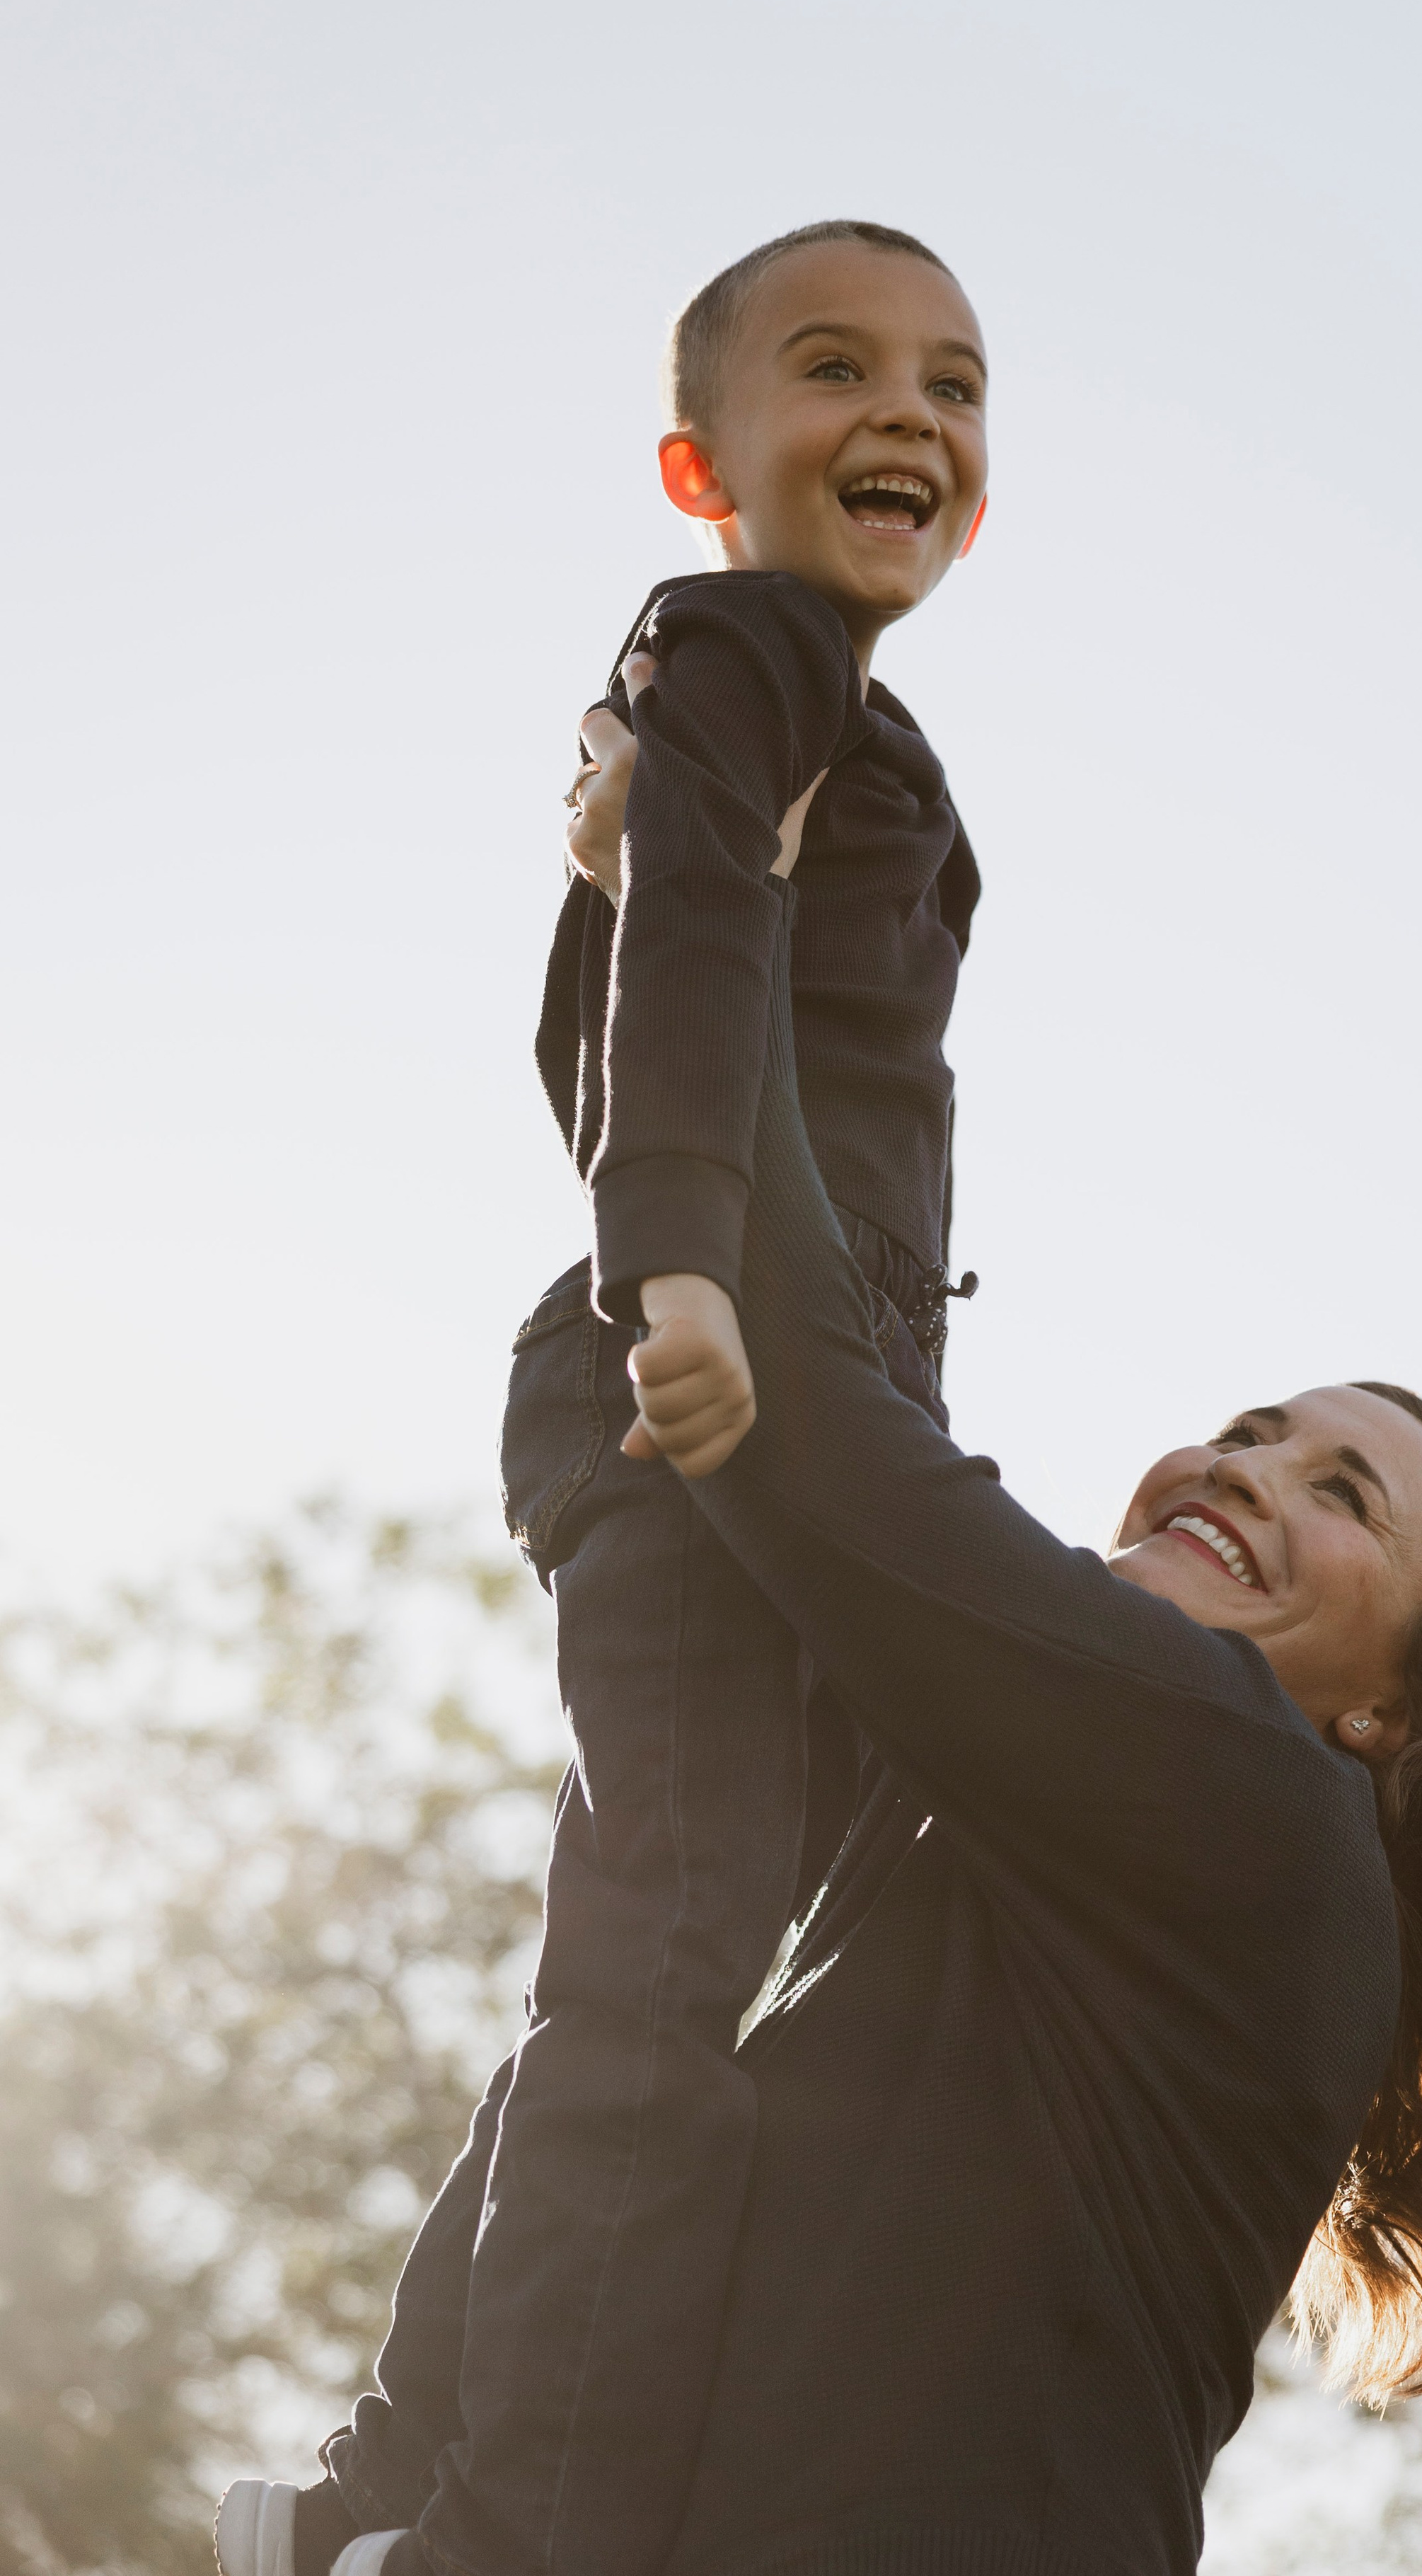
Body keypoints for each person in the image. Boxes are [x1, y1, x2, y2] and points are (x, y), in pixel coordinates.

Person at [217, 220, 990, 2576]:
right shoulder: (735, 643)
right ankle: (488, 2545)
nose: (909, 417)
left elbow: (649, 975)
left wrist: (616, 885)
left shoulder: (820, 716)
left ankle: (369, 2488)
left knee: (658, 1955)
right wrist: (674, 1254)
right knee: (667, 1974)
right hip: (708, 1386)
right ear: (703, 462)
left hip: (797, 1388)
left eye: (955, 389)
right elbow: (675, 991)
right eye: (836, 367)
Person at [595, 923, 1422, 2571]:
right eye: (1250, 1431)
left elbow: (815, 1405)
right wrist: (635, 903)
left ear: (1388, 1715)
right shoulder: (1028, 1814)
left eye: (1339, 1494)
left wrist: (730, 879)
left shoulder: (1261, 1798)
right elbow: (831, 1348)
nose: (1246, 1469)